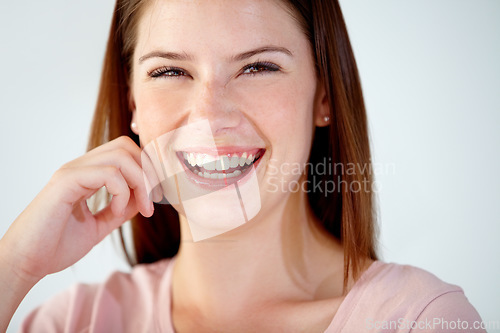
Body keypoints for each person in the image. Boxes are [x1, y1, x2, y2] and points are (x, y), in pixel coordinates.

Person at [0, 0, 486, 332]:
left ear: (323, 96)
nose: (210, 117)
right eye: (170, 71)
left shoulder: (423, 319)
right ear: (132, 103)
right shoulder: (72, 322)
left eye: (258, 67)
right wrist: (15, 266)